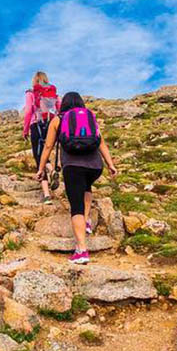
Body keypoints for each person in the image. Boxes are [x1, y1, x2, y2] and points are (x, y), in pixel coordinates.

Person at [36, 92, 117, 264]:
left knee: (76, 206)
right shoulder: (89, 117)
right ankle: (86, 222)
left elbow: (48, 146)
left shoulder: (57, 119)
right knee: (87, 188)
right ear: (80, 103)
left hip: (73, 167)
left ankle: (81, 250)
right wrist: (110, 164)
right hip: (95, 166)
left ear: (63, 103)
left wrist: (41, 167)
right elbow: (101, 142)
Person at [22, 71, 60, 204]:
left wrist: (25, 130)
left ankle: (47, 194)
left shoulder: (31, 93)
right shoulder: (53, 94)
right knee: (46, 152)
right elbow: (59, 109)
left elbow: (27, 112)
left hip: (36, 125)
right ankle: (52, 171)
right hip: (51, 125)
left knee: (39, 158)